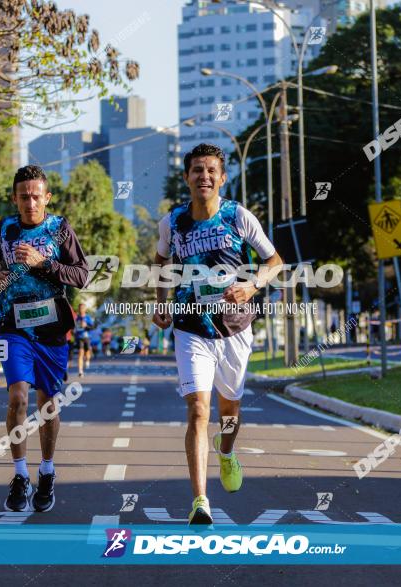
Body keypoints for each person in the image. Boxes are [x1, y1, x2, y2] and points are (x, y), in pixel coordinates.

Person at [153, 143, 283, 526]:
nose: (204, 176)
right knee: (198, 409)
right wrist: (160, 300)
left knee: (229, 411)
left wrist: (252, 286)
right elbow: (161, 262)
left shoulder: (239, 217)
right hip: (191, 326)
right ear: (187, 178)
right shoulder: (172, 223)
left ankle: (227, 452)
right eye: (197, 170)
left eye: (211, 170)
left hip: (235, 328)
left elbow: (274, 262)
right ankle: (200, 501)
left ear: (222, 178)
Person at [0, 164, 88, 513]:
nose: (30, 203)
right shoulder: (5, 229)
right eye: (23, 196)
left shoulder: (59, 229)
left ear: (47, 198)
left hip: (51, 329)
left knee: (49, 405)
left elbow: (82, 275)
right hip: (13, 326)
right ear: (14, 198)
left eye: (36, 197)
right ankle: (19, 474)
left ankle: (47, 470)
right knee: (18, 396)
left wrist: (44, 263)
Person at [73, 303, 94, 377]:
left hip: (87, 337)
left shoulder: (88, 317)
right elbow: (74, 328)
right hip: (79, 338)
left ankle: (88, 360)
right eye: (79, 308)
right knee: (80, 354)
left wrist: (86, 326)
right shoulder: (76, 318)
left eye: (82, 308)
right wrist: (74, 331)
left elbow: (92, 327)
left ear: (85, 309)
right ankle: (80, 371)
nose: (81, 309)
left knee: (87, 353)